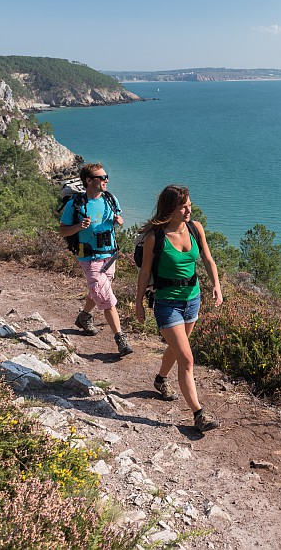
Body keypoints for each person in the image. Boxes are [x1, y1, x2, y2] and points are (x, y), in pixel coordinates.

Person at [135, 185, 223, 432]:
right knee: (186, 358)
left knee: (176, 350)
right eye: (183, 206)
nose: (188, 210)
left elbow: (207, 258)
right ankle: (199, 414)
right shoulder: (156, 238)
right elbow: (144, 272)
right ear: (169, 209)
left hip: (193, 299)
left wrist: (216, 285)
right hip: (166, 304)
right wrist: (138, 302)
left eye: (189, 205)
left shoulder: (195, 228)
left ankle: (160, 380)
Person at [59, 162, 133, 356]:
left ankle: (84, 316)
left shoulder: (110, 199)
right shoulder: (75, 205)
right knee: (107, 298)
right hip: (89, 257)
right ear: (89, 181)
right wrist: (78, 227)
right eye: (102, 178)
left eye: (106, 176)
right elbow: (62, 230)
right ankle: (120, 338)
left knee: (99, 290)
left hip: (110, 254)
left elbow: (118, 218)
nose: (106, 180)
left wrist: (119, 221)